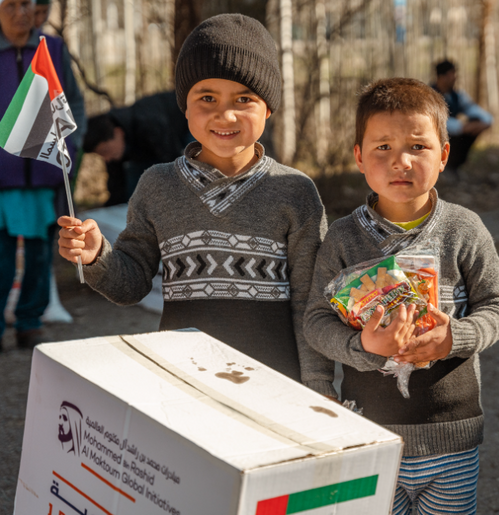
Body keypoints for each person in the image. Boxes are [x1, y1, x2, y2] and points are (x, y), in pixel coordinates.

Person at [57, 14, 336, 396]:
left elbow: (310, 301)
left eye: (244, 99)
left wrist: (319, 391)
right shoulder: (158, 185)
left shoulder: (295, 192)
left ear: (269, 108)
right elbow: (132, 283)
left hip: (275, 389)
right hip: (182, 386)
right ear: (184, 108)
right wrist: (96, 257)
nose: (225, 114)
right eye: (207, 98)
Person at [303, 78, 499, 514]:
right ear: (359, 157)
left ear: (444, 154)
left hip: (452, 437)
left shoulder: (464, 229)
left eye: (418, 147)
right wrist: (361, 346)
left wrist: (454, 337)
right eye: (383, 147)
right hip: (367, 435)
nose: (400, 161)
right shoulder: (342, 239)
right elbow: (316, 322)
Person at [0, 0, 86, 349]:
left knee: (38, 253)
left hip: (43, 172)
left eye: (29, 3)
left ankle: (29, 322)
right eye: (13, 4)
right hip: (2, 179)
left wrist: (73, 142)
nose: (23, 12)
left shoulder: (52, 49)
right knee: (2, 256)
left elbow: (74, 101)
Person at [82, 92, 193, 205]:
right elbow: (117, 187)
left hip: (186, 125)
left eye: (105, 151)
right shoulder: (113, 145)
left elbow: (172, 160)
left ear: (118, 132)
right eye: (100, 155)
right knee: (135, 183)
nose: (106, 158)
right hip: (153, 148)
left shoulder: (149, 123)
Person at [432, 59, 493, 174]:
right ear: (442, 76)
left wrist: (482, 122)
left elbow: (475, 110)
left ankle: (454, 165)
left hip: (454, 135)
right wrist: (462, 127)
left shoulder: (457, 96)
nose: (455, 78)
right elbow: (434, 120)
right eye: (451, 74)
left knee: (474, 124)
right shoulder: (429, 95)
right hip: (436, 135)